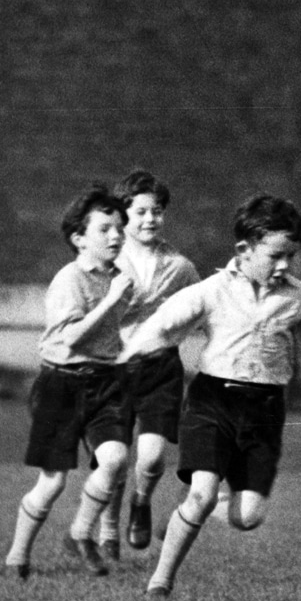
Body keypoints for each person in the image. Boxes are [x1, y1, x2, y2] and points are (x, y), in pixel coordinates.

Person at [119, 194, 301, 597]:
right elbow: (162, 325)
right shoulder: (212, 290)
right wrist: (127, 359)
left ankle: (191, 505)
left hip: (264, 411)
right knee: (203, 494)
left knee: (248, 517)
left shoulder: (300, 298)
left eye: (291, 257)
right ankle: (162, 579)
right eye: (276, 256)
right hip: (212, 401)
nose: (284, 266)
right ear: (244, 250)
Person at [4, 184, 134, 579]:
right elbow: (72, 337)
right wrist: (112, 300)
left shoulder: (119, 278)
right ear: (79, 239)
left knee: (114, 459)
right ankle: (17, 557)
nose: (116, 235)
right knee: (53, 481)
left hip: (106, 382)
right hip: (61, 384)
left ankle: (80, 533)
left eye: (119, 228)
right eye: (105, 229)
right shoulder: (69, 280)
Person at [95, 170, 200, 561]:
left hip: (160, 369)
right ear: (123, 214)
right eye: (140, 211)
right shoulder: (106, 259)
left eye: (157, 211)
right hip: (112, 369)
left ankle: (141, 501)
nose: (150, 219)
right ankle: (107, 528)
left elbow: (203, 308)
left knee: (152, 456)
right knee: (113, 457)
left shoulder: (180, 266)